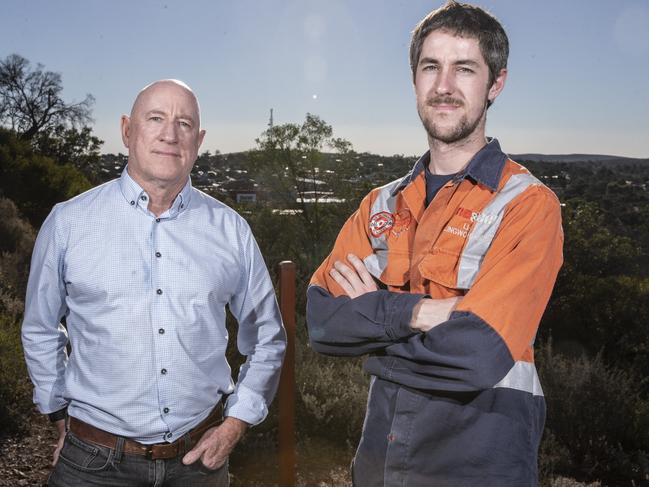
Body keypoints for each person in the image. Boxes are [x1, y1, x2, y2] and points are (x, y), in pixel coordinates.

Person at [306, 2, 563, 486]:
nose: (444, 85)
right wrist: (421, 313)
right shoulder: (379, 205)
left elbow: (476, 356)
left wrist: (375, 336)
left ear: (495, 84)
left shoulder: (526, 205)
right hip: (380, 465)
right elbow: (322, 323)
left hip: (479, 465)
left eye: (464, 69)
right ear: (414, 80)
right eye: (431, 67)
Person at [22, 79, 286, 486]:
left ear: (198, 141)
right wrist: (58, 415)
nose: (169, 133)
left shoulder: (230, 230)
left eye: (184, 123)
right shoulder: (69, 222)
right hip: (92, 463)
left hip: (200, 463)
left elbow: (268, 336)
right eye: (156, 118)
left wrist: (236, 423)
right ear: (128, 130)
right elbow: (40, 328)